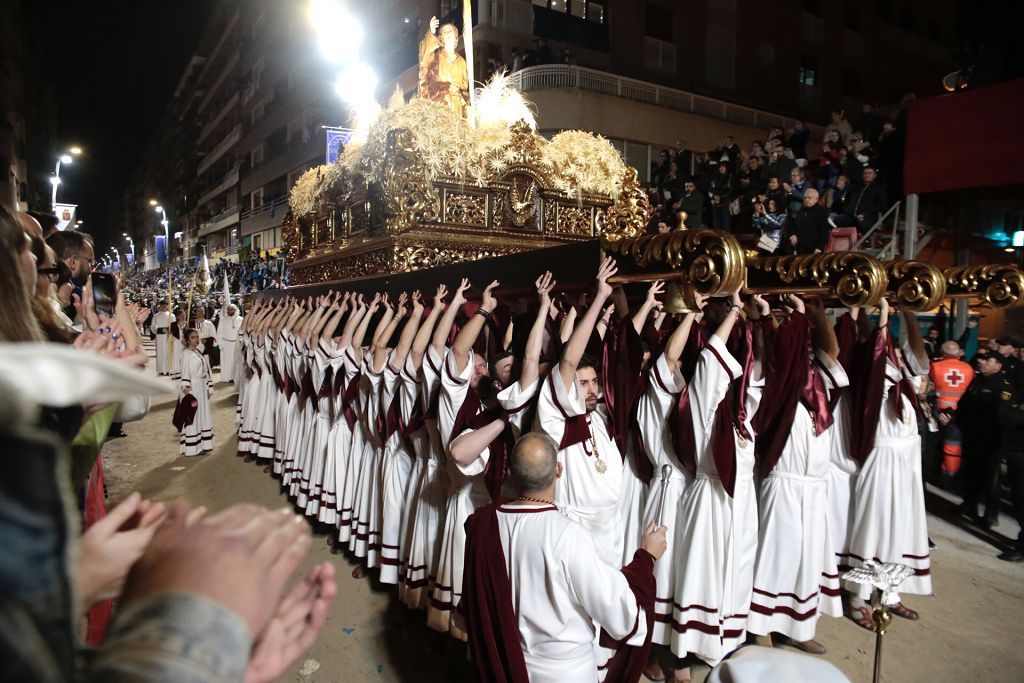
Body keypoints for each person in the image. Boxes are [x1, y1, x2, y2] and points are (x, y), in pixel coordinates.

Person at [461, 431, 665, 683]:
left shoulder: (483, 524)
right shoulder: (570, 536)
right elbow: (622, 615)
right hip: (565, 673)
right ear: (558, 470)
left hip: (502, 664)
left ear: (511, 473)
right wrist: (646, 557)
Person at [747, 296, 847, 655]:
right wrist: (775, 319)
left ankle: (799, 626)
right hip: (784, 484)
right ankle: (760, 627)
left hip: (814, 488)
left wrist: (816, 310)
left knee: (808, 559)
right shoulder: (775, 389)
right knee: (776, 555)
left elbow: (831, 349)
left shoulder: (819, 381)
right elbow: (774, 353)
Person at [843, 302, 932, 627]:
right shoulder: (869, 376)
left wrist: (907, 311)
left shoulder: (905, 380)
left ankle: (891, 593)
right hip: (880, 458)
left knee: (902, 525)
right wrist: (880, 316)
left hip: (906, 458)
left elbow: (918, 354)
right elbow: (877, 351)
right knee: (874, 526)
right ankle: (857, 597)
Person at [536, 258, 626, 564]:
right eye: (582, 384)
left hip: (612, 526)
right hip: (575, 528)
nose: (591, 389)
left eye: (594, 382)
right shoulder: (558, 420)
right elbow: (568, 363)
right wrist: (599, 298)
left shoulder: (601, 417)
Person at [955, 350, 1013, 528]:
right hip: (972, 437)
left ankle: (990, 515)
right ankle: (969, 505)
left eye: (988, 360)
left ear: (998, 366)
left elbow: (1001, 416)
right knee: (971, 474)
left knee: (991, 479)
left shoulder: (1003, 388)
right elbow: (963, 404)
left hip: (991, 442)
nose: (982, 362)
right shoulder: (977, 380)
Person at [418, 16, 470, 117]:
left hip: (457, 105)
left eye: (450, 30)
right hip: (442, 104)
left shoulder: (462, 61)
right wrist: (431, 32)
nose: (448, 32)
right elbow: (425, 58)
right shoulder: (437, 56)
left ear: (455, 37)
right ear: (441, 38)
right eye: (445, 31)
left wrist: (463, 97)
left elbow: (464, 85)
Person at [178, 327, 214, 456]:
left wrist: (208, 387)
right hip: (193, 389)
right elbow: (185, 375)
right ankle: (192, 447)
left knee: (201, 416)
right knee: (192, 417)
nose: (196, 339)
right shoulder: (186, 355)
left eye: (197, 336)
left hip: (201, 387)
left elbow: (206, 369)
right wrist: (187, 395)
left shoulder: (198, 352)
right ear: (187, 340)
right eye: (193, 337)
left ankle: (203, 444)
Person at [785, 188, 830, 254]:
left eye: (809, 198)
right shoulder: (801, 210)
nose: (806, 200)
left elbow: (824, 232)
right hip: (799, 248)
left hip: (814, 250)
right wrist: (793, 234)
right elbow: (793, 224)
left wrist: (819, 247)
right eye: (805, 198)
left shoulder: (821, 212)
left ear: (816, 199)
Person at [218, 299, 243, 383]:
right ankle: (229, 377)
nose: (230, 311)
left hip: (237, 343)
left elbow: (243, 331)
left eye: (231, 309)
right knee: (228, 362)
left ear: (235, 310)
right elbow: (219, 332)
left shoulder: (240, 319)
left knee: (237, 361)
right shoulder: (222, 320)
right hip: (226, 344)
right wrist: (220, 344)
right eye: (228, 309)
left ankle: (237, 377)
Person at [149, 301, 175, 376]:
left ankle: (168, 370)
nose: (163, 306)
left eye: (165, 305)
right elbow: (152, 326)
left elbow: (174, 326)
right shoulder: (156, 316)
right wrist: (155, 331)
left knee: (167, 352)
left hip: (168, 336)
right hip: (159, 337)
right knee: (160, 352)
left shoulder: (172, 315)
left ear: (167, 306)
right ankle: (160, 370)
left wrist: (171, 333)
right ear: (160, 306)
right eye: (162, 305)